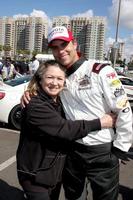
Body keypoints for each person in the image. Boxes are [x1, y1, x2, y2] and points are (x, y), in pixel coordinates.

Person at [21, 26, 133, 200]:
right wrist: (29, 91)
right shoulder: (59, 74)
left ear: (74, 43)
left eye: (64, 44)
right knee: (74, 197)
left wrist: (120, 148)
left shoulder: (101, 71)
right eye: (55, 47)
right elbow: (41, 83)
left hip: (102, 152)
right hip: (72, 152)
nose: (60, 51)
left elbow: (124, 109)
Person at [17, 59, 116, 200]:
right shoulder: (35, 105)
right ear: (40, 79)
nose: (55, 82)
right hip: (34, 175)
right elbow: (65, 129)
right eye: (50, 77)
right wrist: (100, 123)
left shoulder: (58, 101)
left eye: (59, 78)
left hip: (52, 174)